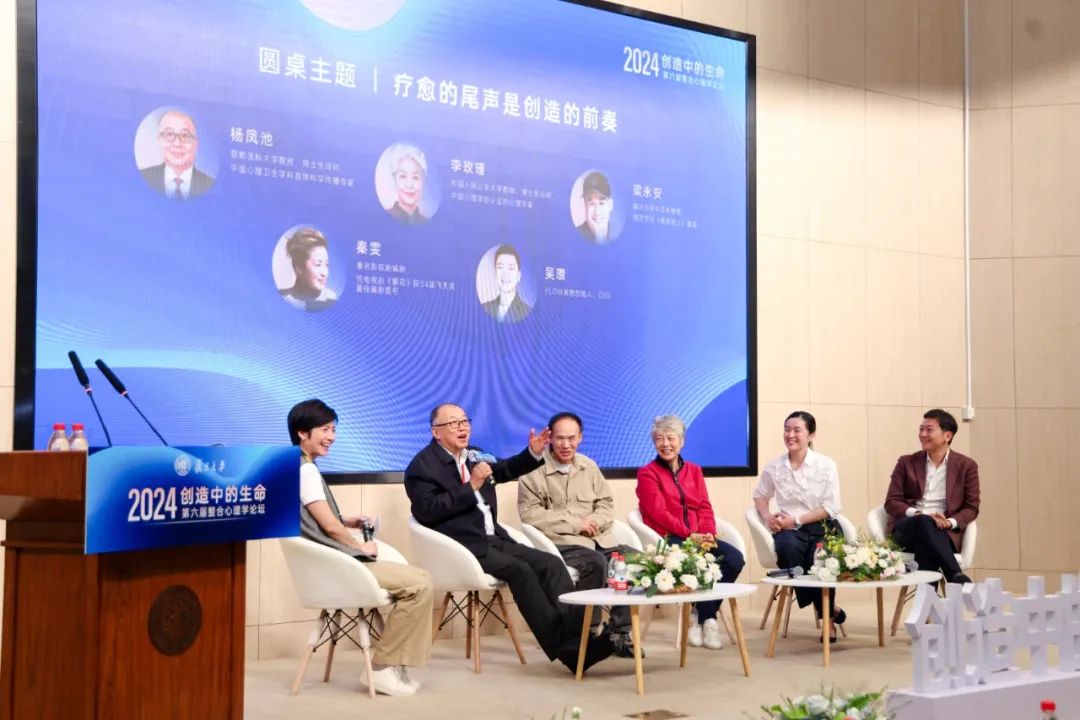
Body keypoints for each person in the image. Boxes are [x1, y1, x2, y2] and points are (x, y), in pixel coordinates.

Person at [404, 403, 614, 672]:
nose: (462, 428)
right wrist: (471, 486)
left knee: (550, 563)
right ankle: (569, 652)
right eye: (454, 423)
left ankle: (579, 643)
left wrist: (532, 453)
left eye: (465, 421)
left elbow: (503, 469)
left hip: (493, 538)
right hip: (462, 545)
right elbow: (427, 511)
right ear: (436, 432)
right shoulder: (422, 467)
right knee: (520, 571)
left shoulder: (474, 455)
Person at [288, 399, 433, 697]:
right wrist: (360, 547)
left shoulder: (293, 466)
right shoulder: (306, 471)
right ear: (302, 433)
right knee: (419, 584)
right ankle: (382, 667)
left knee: (419, 579)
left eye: (333, 429)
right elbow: (329, 528)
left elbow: (316, 518)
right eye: (324, 429)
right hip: (339, 567)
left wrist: (347, 520)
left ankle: (392, 665)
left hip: (328, 564)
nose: (332, 436)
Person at [517, 412, 640, 658]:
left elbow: (605, 503)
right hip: (561, 543)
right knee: (595, 563)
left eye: (571, 438)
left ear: (580, 437)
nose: (566, 444)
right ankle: (587, 632)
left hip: (598, 539)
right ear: (550, 438)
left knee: (633, 559)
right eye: (560, 438)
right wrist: (576, 524)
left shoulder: (588, 466)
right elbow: (530, 514)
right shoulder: (532, 471)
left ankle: (619, 633)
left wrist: (594, 521)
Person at [636, 415, 745, 650]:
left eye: (671, 438)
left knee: (734, 559)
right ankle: (709, 620)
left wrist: (708, 533)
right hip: (669, 539)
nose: (665, 444)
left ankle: (700, 614)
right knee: (698, 561)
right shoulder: (647, 473)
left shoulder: (694, 471)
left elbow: (704, 507)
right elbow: (659, 513)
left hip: (697, 538)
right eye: (659, 439)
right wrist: (688, 534)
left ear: (682, 441)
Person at [752, 411, 845, 642]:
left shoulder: (826, 465)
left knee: (822, 558)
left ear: (811, 435)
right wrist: (767, 517)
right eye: (787, 429)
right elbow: (760, 496)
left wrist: (797, 520)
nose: (790, 435)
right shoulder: (774, 466)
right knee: (787, 549)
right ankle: (828, 610)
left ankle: (828, 620)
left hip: (822, 526)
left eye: (797, 430)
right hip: (790, 531)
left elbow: (831, 507)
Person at [884, 409, 979, 585]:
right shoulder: (906, 462)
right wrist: (918, 514)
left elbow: (971, 507)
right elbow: (891, 502)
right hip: (907, 529)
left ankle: (928, 601)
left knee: (926, 545)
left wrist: (949, 522)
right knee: (924, 522)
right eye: (921, 429)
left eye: (929, 430)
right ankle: (955, 575)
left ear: (947, 436)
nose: (922, 434)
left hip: (943, 533)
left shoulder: (967, 466)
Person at [140, 110, 214, 199]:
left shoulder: (209, 184)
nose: (177, 143)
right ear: (159, 140)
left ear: (196, 144)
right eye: (169, 134)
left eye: (185, 136)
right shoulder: (143, 178)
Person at [279, 227, 338, 312]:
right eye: (318, 264)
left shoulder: (331, 300)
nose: (324, 273)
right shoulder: (282, 298)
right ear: (299, 268)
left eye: (326, 265)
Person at [481, 244, 531, 323]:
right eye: (500, 267)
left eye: (511, 268)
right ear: (495, 273)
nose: (505, 274)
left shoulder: (527, 311)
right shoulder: (485, 307)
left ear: (518, 276)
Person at [385, 143, 428, 224]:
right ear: (394, 180)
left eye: (415, 177)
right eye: (403, 176)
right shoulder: (384, 217)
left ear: (422, 181)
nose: (409, 185)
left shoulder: (425, 221)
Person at [575, 171, 613, 243]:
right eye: (591, 204)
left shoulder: (617, 233)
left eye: (601, 203)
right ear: (585, 206)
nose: (597, 212)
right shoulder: (575, 235)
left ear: (610, 205)